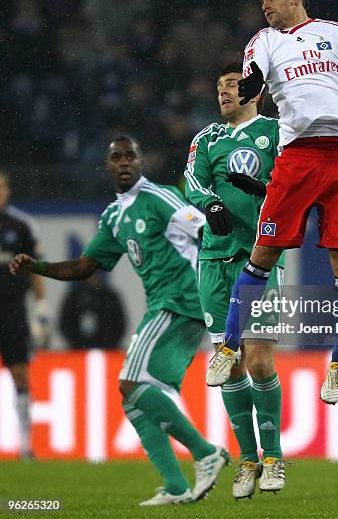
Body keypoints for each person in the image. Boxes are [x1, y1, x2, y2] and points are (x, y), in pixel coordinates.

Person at [206, 0, 338, 405]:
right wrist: (254, 85)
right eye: (261, 0)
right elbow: (255, 76)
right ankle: (226, 347)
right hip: (295, 156)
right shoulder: (262, 40)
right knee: (264, 253)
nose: (265, 6)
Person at [10, 136, 229, 506]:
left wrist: (217, 283)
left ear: (141, 162)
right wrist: (39, 267)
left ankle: (205, 452)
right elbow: (85, 266)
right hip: (170, 306)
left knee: (129, 382)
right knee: (133, 400)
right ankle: (176, 487)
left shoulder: (158, 198)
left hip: (181, 300)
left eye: (131, 156)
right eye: (117, 157)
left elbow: (206, 228)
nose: (124, 161)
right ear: (108, 166)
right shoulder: (114, 215)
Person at [185, 63, 285, 497]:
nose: (223, 92)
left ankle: (274, 458)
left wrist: (264, 192)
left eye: (231, 85)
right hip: (213, 259)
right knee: (230, 366)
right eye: (218, 86)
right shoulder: (207, 139)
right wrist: (210, 206)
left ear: (253, 91)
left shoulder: (278, 133)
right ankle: (247, 459)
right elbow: (192, 181)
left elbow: (293, 183)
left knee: (260, 360)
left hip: (259, 256)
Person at [0, 170, 50, 459]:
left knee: (20, 372)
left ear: (8, 190)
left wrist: (40, 312)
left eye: (2, 186)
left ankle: (26, 444)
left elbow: (36, 270)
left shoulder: (21, 225)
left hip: (12, 307)